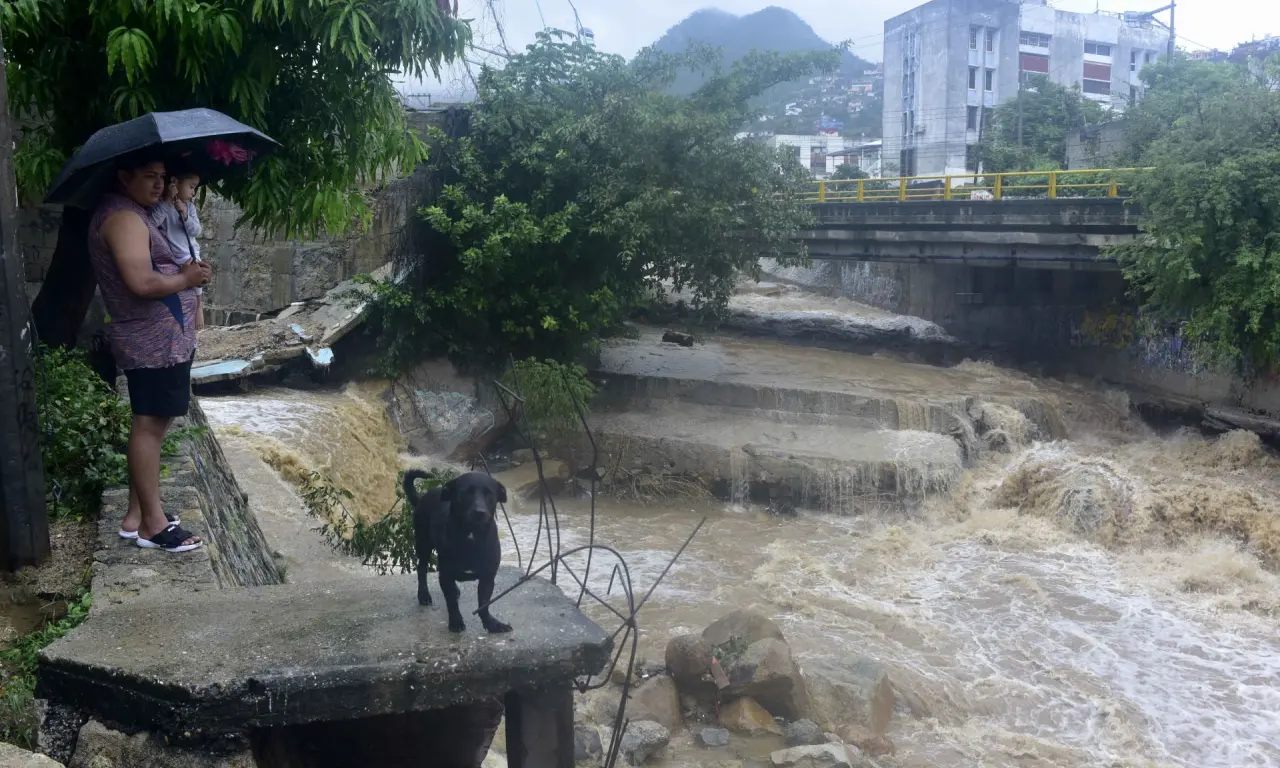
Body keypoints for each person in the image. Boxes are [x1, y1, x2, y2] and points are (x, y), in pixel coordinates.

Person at [88, 151, 208, 552]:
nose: (159, 184)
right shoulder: (122, 219)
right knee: (150, 427)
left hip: (164, 340)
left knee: (154, 425)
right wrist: (186, 277)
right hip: (153, 342)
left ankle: (136, 515)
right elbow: (140, 281)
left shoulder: (134, 213)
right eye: (149, 176)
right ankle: (152, 528)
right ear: (123, 177)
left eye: (162, 176)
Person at [150, 169, 205, 330]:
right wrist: (168, 202)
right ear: (176, 184)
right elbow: (153, 222)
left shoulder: (190, 207)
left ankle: (199, 306)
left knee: (198, 279)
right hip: (174, 255)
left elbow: (196, 231)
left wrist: (185, 215)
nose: (193, 193)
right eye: (191, 187)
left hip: (190, 252)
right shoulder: (163, 205)